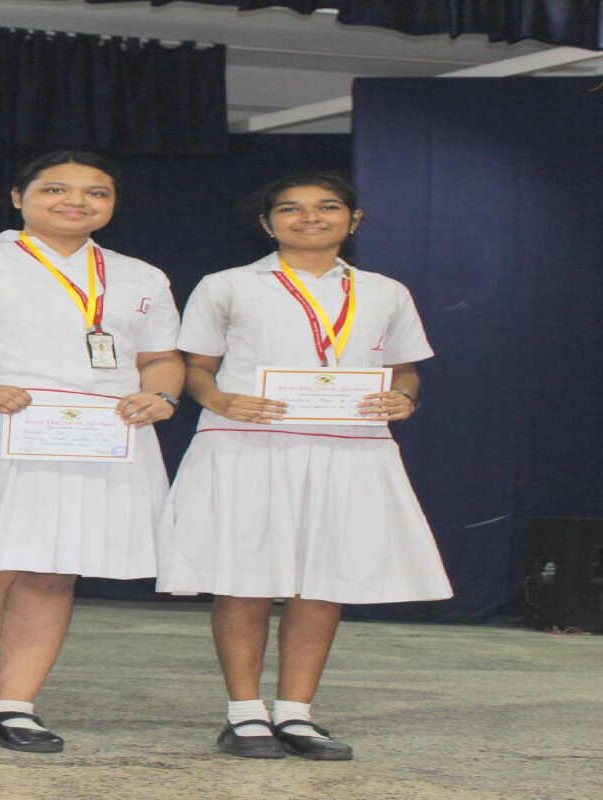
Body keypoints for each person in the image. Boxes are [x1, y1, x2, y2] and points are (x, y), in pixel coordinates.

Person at [159, 172, 450, 761]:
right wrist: (219, 400)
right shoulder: (228, 286)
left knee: (323, 581)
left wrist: (406, 399)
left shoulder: (386, 291)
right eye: (290, 209)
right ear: (268, 223)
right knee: (244, 580)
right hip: (249, 445)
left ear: (354, 219)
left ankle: (296, 713)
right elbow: (194, 367)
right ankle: (244, 715)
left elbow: (405, 369)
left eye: (327, 207)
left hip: (349, 448)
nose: (309, 217)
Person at [0, 151, 182, 753]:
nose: (77, 202)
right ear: (17, 197)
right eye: (55, 189)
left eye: (96, 193)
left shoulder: (140, 274)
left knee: (52, 573)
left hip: (99, 437)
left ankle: (17, 705)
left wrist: (162, 395)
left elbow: (160, 356)